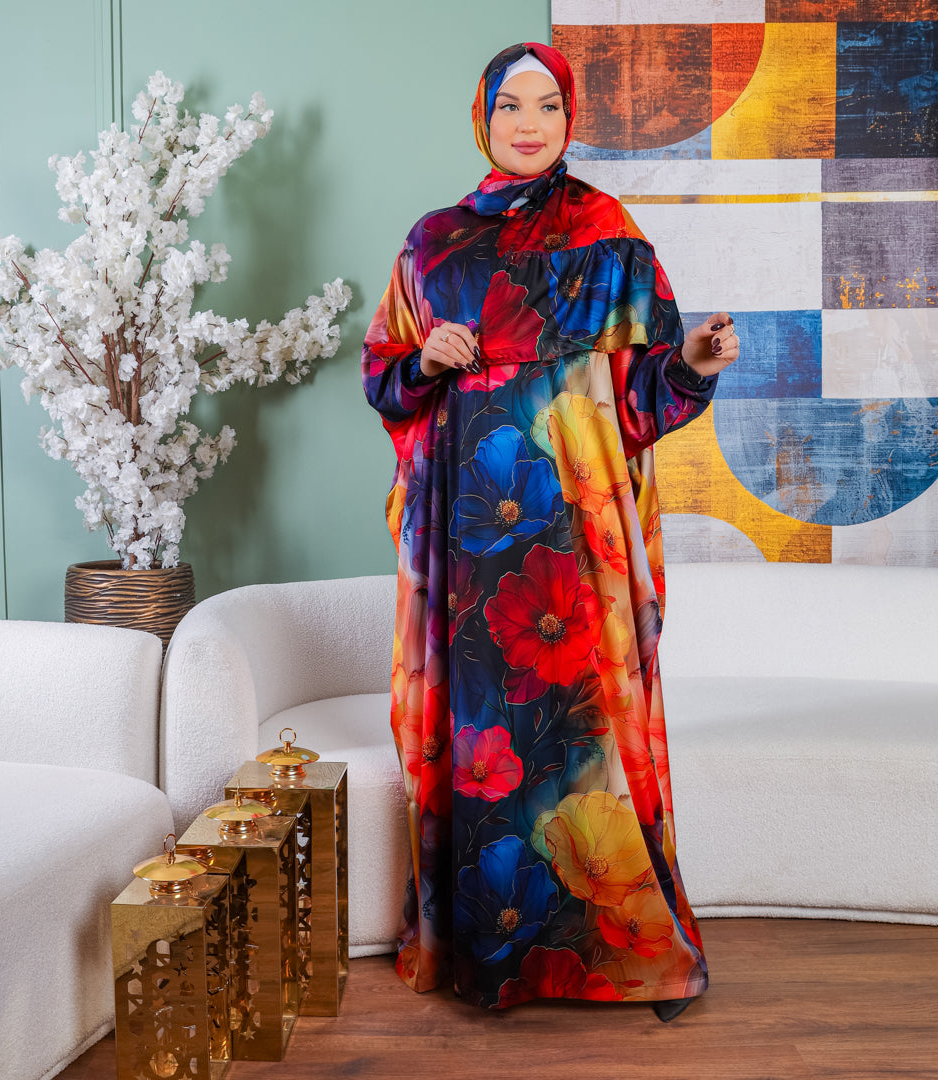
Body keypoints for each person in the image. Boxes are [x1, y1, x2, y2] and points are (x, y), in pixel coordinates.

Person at [361, 41, 739, 1020]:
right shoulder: (432, 243)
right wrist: (426, 359)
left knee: (579, 736)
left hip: (575, 535)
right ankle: (490, 956)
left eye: (548, 107)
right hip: (469, 543)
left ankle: (598, 952)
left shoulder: (608, 236)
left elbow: (642, 398)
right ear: (482, 116)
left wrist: (692, 362)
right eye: (510, 105)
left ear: (570, 120)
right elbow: (382, 374)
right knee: (482, 738)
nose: (529, 123)